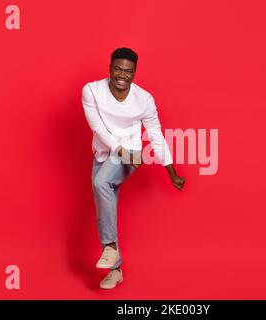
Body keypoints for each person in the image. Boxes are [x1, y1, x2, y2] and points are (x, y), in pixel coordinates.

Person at [82, 47, 185, 289]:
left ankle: (109, 247)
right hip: (104, 152)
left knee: (100, 184)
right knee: (104, 206)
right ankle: (115, 270)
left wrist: (172, 172)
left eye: (128, 71)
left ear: (134, 72)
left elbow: (156, 135)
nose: (122, 75)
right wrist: (119, 151)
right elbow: (97, 128)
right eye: (118, 69)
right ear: (110, 68)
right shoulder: (92, 91)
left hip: (131, 154)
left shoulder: (144, 100)